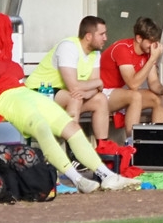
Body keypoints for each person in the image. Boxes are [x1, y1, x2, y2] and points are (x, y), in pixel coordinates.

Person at [0, 12, 140, 192]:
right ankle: (77, 179)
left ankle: (107, 175)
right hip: (4, 99)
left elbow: (17, 70)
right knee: (41, 127)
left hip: (23, 91)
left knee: (70, 126)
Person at [24, 16, 110, 147]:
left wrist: (88, 92)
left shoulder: (95, 52)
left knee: (100, 99)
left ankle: (104, 148)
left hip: (62, 95)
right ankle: (74, 150)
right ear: (88, 36)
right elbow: (75, 86)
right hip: (39, 91)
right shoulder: (68, 47)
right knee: (75, 98)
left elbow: (96, 88)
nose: (105, 38)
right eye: (102, 34)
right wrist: (98, 83)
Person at [100, 16, 163, 145]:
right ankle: (132, 144)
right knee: (135, 96)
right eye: (151, 41)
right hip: (101, 93)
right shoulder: (123, 49)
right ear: (139, 38)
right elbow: (133, 84)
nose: (154, 46)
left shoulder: (148, 53)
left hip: (119, 93)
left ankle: (158, 144)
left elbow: (153, 82)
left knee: (158, 98)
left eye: (156, 42)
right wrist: (152, 59)